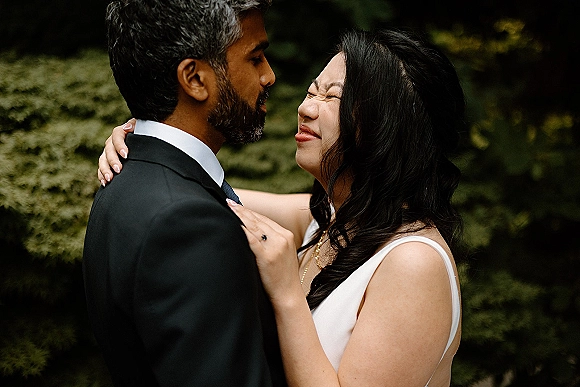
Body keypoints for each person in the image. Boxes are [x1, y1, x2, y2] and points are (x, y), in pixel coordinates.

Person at [99, 28, 465, 386]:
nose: (304, 108)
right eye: (311, 92)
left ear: (388, 128)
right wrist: (151, 141)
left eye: (331, 98)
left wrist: (287, 292)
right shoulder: (333, 220)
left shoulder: (414, 264)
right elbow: (191, 199)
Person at [83, 1, 287, 386]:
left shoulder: (126, 183)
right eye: (256, 58)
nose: (269, 76)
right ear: (194, 78)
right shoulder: (188, 225)